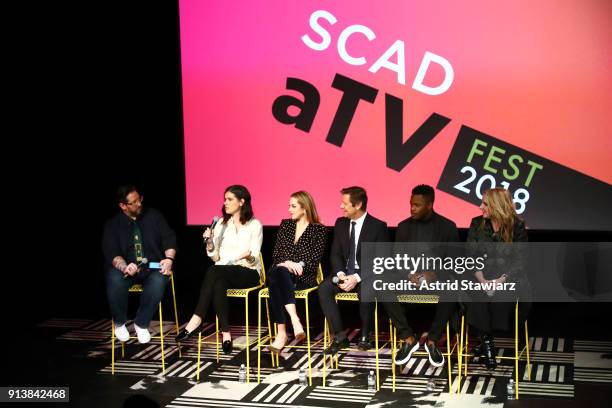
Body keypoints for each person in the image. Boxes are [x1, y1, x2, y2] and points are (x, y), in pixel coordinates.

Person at [175, 185, 263, 355]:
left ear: (242, 201)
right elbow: (215, 257)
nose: (225, 203)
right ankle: (226, 333)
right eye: (225, 199)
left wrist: (247, 257)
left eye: (230, 199)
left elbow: (255, 258)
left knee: (214, 272)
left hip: (248, 272)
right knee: (218, 282)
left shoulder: (255, 225)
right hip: (223, 271)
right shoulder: (222, 224)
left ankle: (196, 318)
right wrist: (209, 242)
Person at [384, 185, 460, 368]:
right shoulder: (403, 227)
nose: (412, 208)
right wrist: (410, 275)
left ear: (430, 205)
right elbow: (397, 260)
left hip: (437, 280)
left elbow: (454, 263)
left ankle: (433, 340)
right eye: (411, 204)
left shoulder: (448, 227)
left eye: (417, 205)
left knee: (452, 287)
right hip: (410, 279)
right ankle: (408, 338)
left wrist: (432, 274)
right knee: (384, 285)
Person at [318, 186, 389, 355]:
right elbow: (335, 254)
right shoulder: (340, 223)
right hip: (343, 274)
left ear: (358, 205)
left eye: (345, 203)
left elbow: (381, 260)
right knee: (324, 288)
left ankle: (365, 336)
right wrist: (341, 274)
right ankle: (340, 337)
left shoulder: (378, 226)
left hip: (365, 276)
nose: (341, 207)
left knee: (367, 289)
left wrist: (356, 277)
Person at [103, 185, 177, 344]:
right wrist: (125, 266)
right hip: (127, 268)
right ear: (123, 205)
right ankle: (120, 322)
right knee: (114, 278)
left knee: (160, 279)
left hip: (152, 266)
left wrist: (169, 259)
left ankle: (141, 323)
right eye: (134, 202)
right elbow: (112, 252)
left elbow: (169, 239)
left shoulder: (154, 216)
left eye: (140, 199)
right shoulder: (113, 225)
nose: (139, 204)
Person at [466, 187, 528, 369]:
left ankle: (484, 337)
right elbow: (470, 256)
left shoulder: (517, 226)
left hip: (506, 279)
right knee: (476, 295)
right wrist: (483, 281)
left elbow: (520, 259)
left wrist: (500, 281)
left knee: (499, 301)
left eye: (484, 203)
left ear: (497, 205)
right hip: (479, 278)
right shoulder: (476, 223)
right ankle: (487, 342)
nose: (480, 207)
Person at [267, 191, 327, 353]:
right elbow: (277, 254)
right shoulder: (285, 225)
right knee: (279, 272)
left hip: (302, 277)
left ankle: (281, 334)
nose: (289, 210)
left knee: (276, 279)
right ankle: (294, 320)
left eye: (293, 206)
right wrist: (287, 263)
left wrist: (292, 263)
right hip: (282, 271)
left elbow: (313, 261)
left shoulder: (318, 230)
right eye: (289, 206)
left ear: (305, 208)